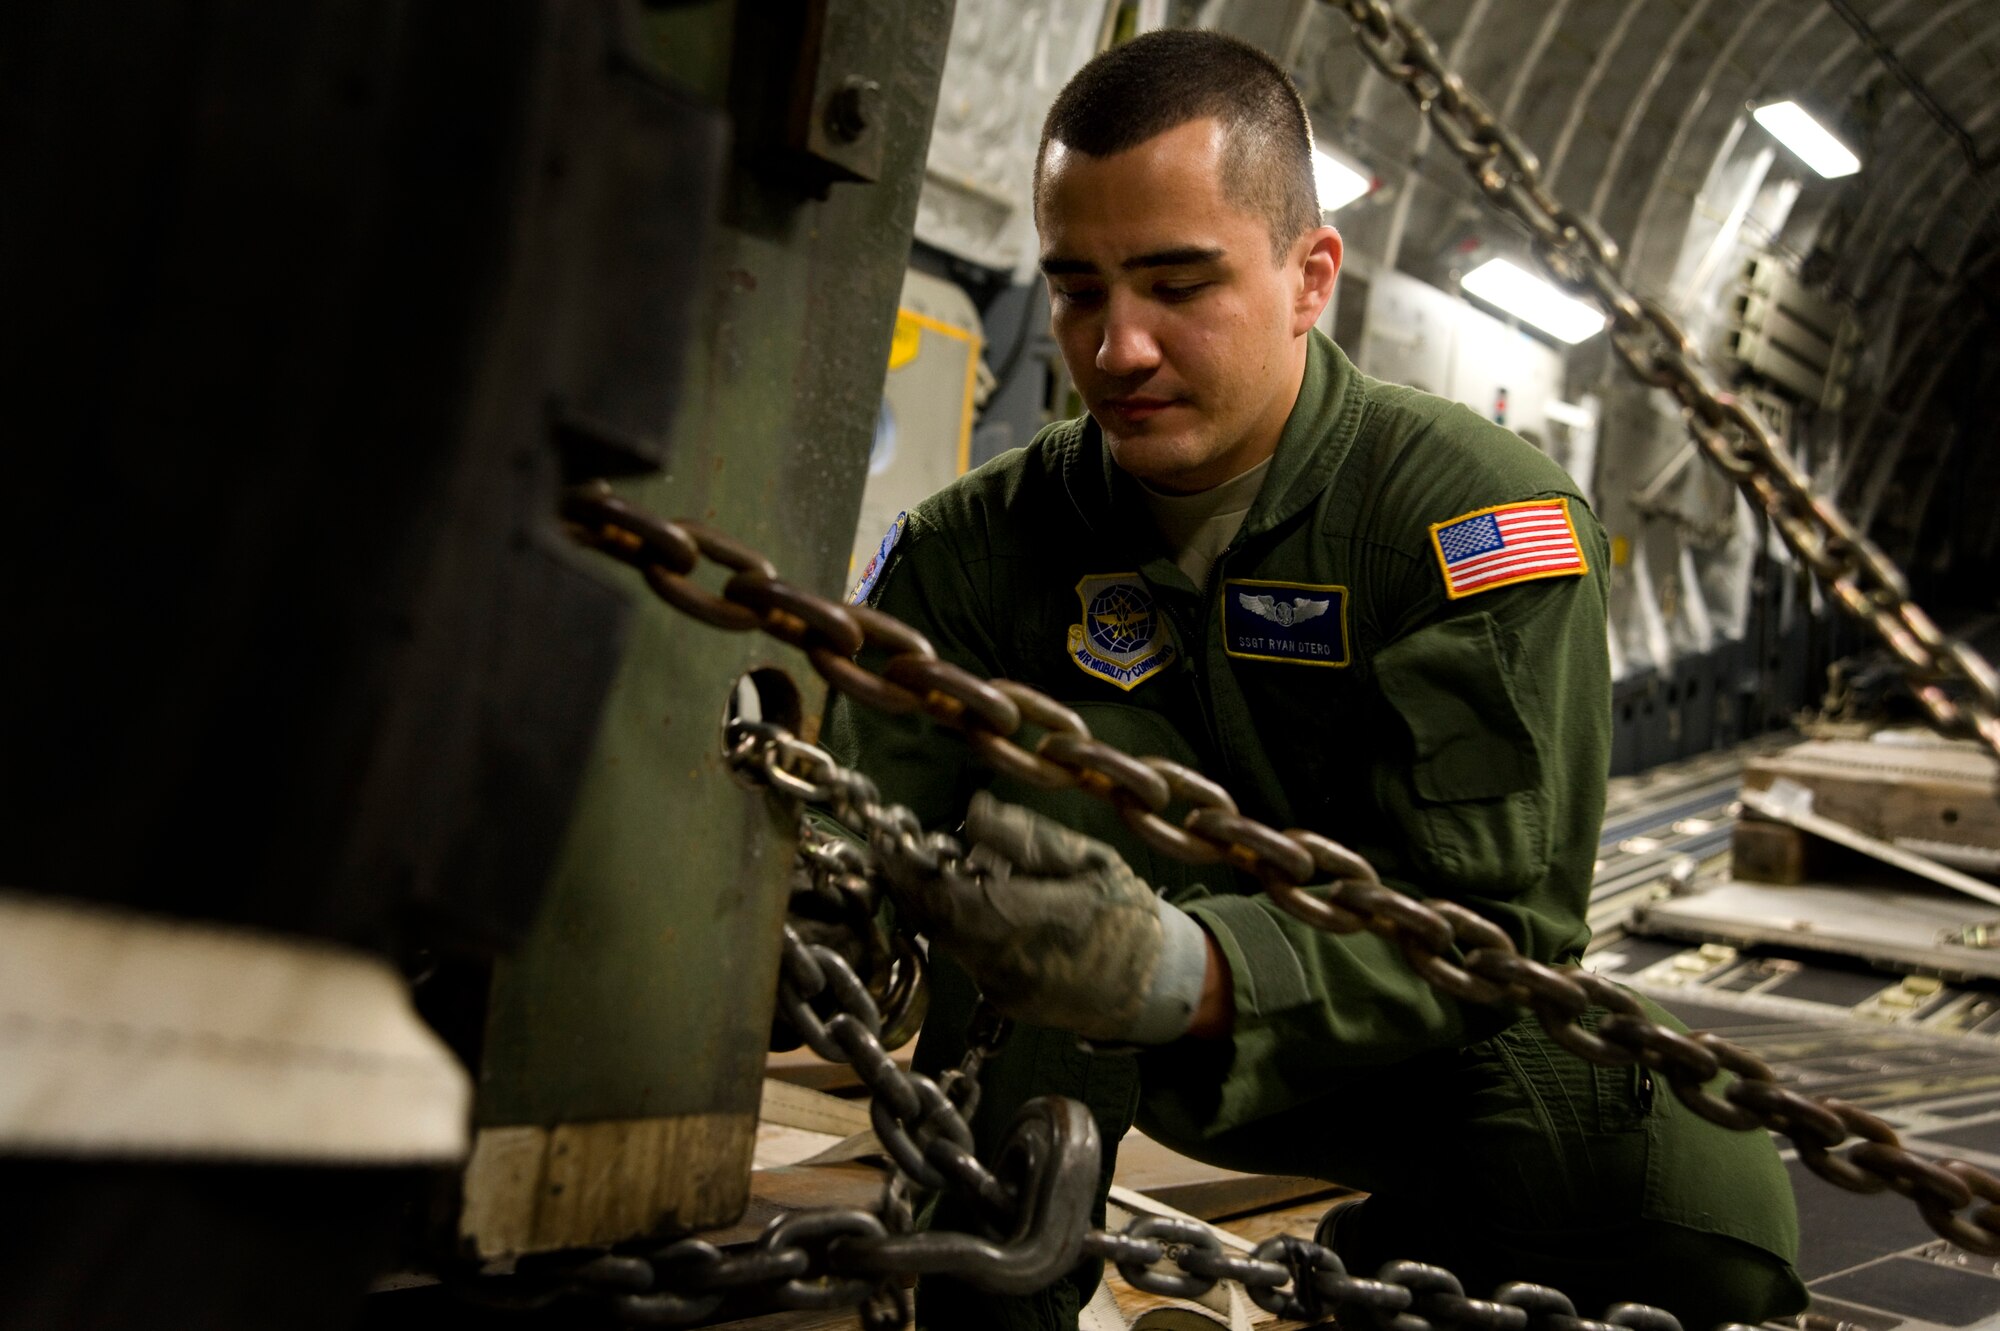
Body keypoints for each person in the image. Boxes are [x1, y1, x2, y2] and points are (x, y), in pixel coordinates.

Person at [828, 27, 1806, 1331]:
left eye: (1180, 285)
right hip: (1071, 1044)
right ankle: (993, 1290)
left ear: (1311, 277)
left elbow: (1502, 932)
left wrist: (1191, 968)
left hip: (1395, 1042)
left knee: (1706, 1221)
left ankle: (1409, 1252)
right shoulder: (973, 548)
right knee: (1047, 813)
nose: (1117, 348)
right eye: (1077, 291)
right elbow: (853, 829)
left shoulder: (1470, 519)